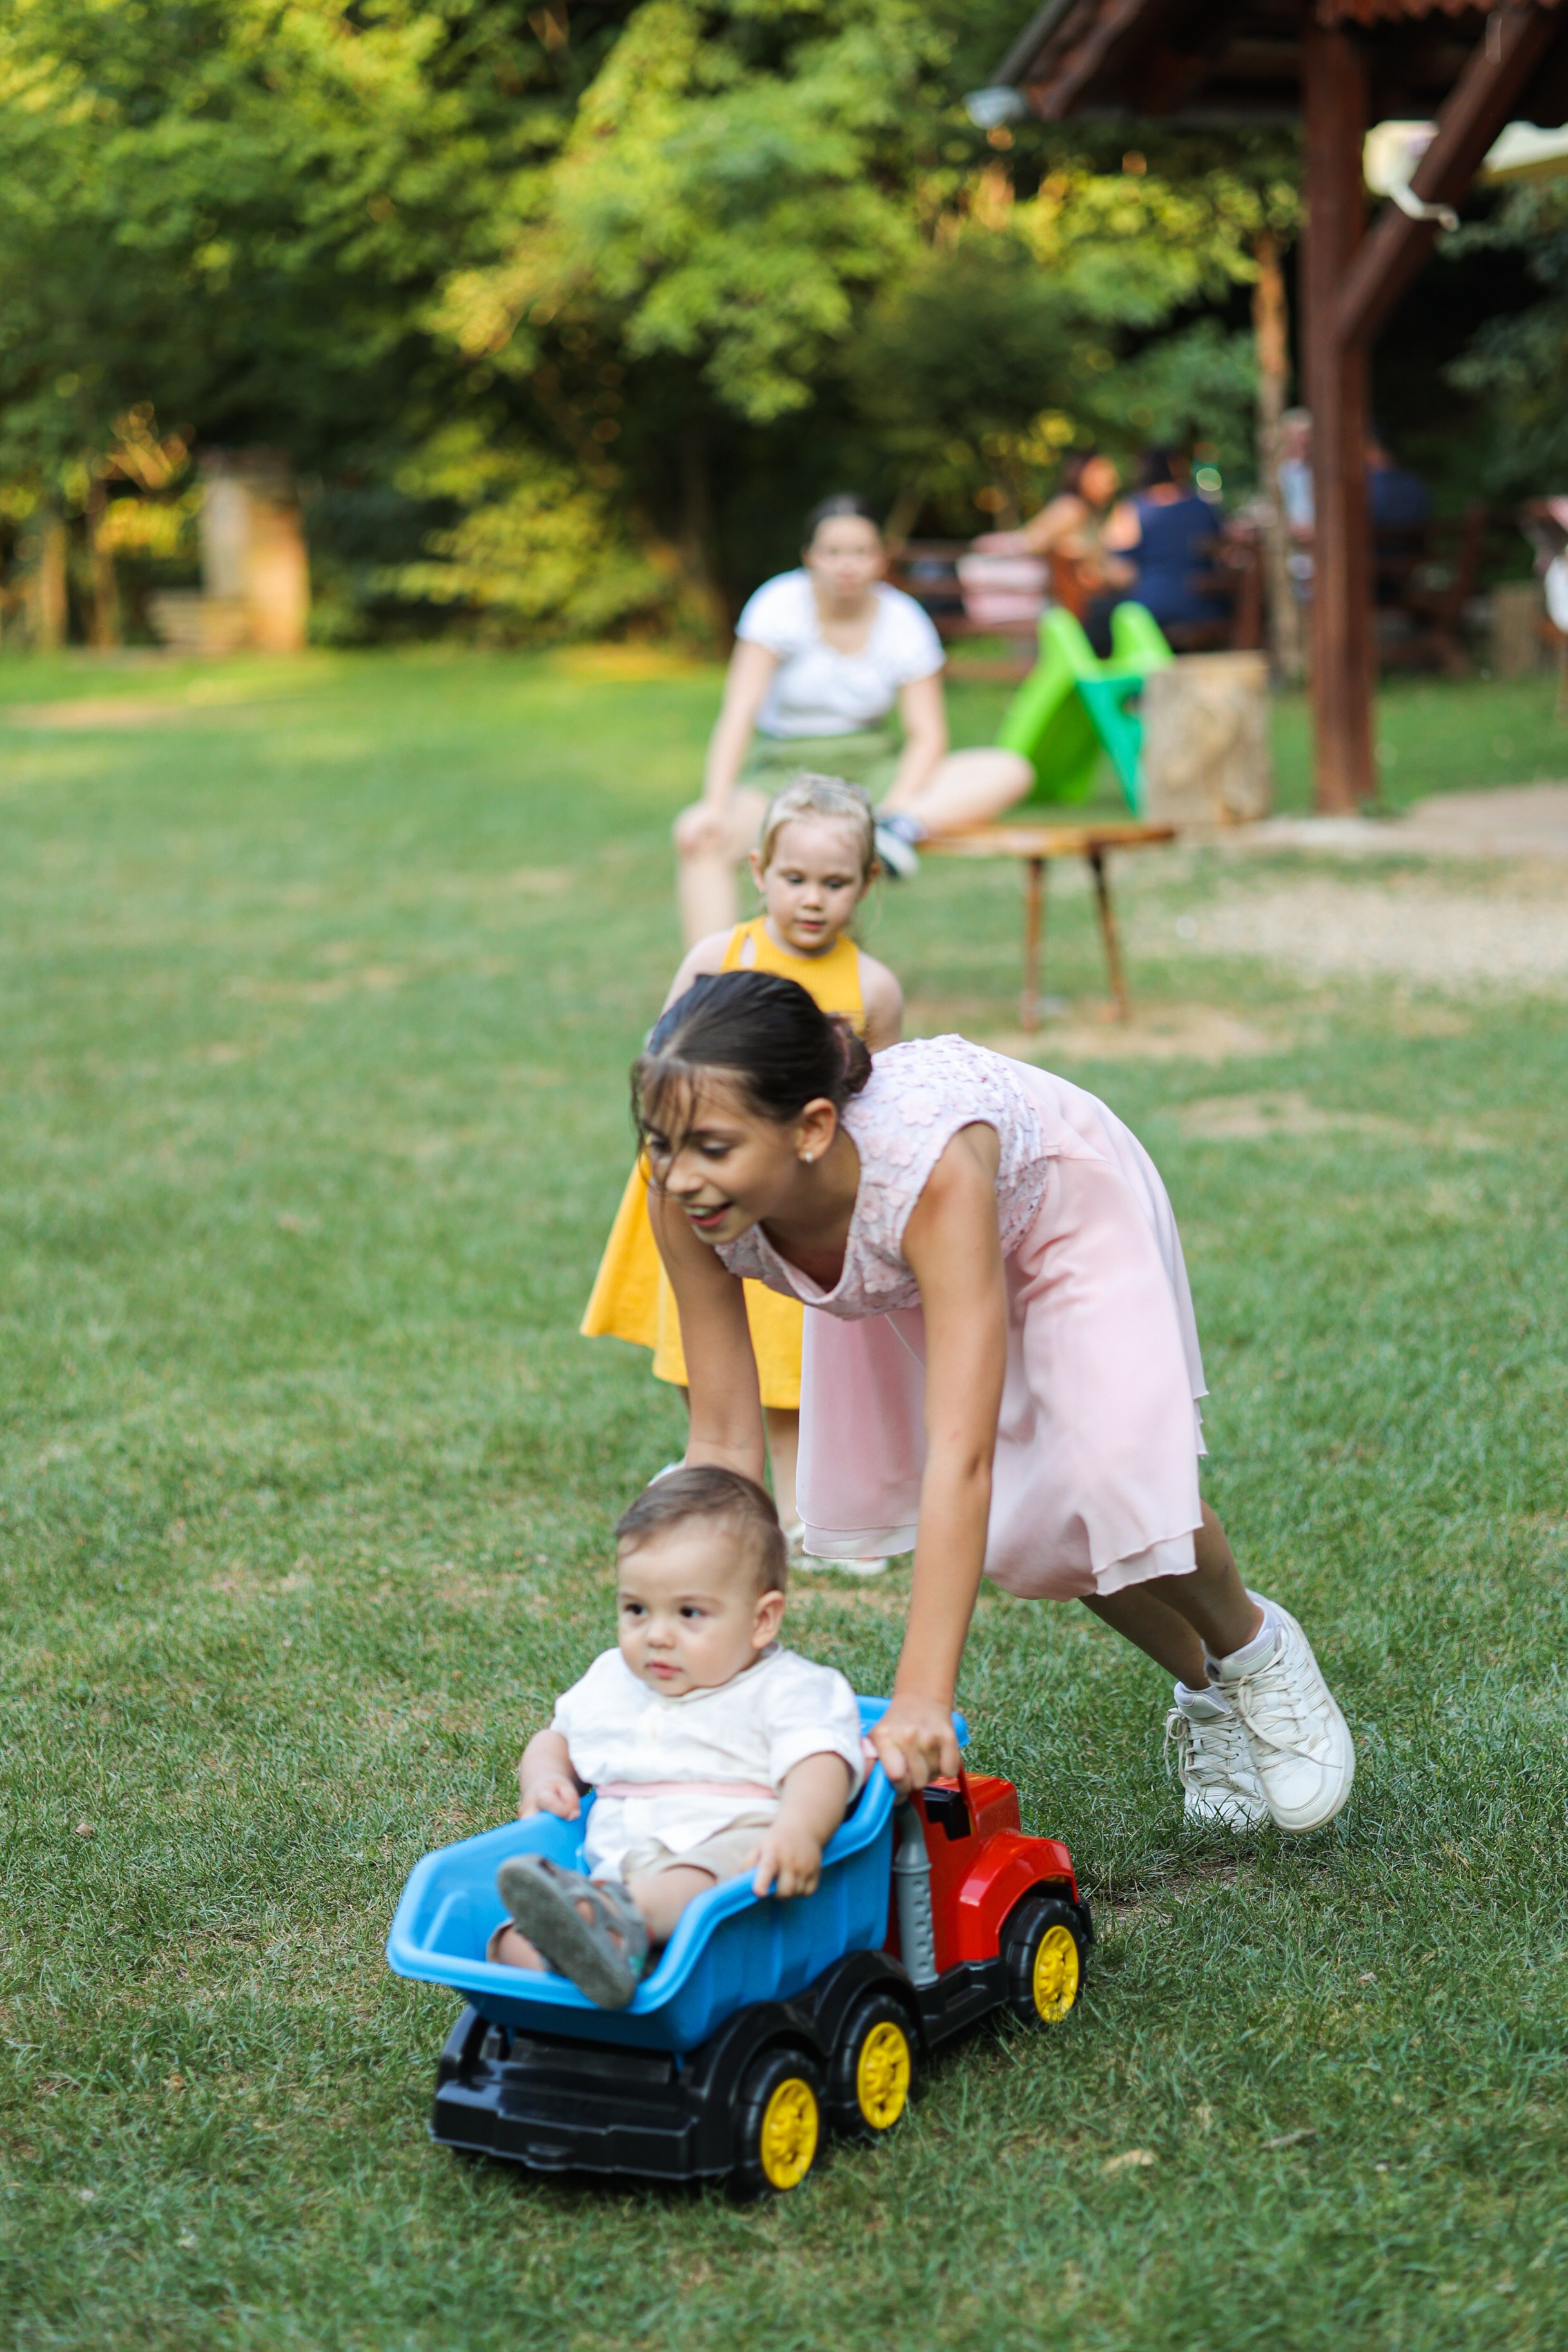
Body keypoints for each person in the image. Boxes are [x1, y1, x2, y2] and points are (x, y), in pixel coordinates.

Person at [638, 972, 1356, 1836]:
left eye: (712, 1147)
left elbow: (962, 1458)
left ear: (812, 1130)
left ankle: (1256, 1649)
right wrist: (706, 1631)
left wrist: (921, 1699)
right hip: (906, 1263)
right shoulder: (685, 1198)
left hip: (1054, 1207)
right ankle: (1209, 1691)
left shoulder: (926, 1170)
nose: (680, 1176)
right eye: (659, 1144)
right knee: (1030, 1528)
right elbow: (721, 1440)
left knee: (1103, 1476)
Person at [583, 775, 903, 1565]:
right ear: (758, 871)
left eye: (834, 884)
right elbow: (667, 1060)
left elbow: (883, 1100)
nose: (811, 901)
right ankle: (714, 1458)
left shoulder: (872, 987)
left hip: (799, 1196)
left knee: (794, 1350)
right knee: (702, 1333)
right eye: (794, 879)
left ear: (867, 883)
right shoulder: (716, 956)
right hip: (707, 1179)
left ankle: (803, 1503)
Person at [490, 1465, 865, 2008]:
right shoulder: (612, 1680)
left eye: (689, 1613)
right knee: (506, 1939)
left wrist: (798, 1828)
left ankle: (615, 1929)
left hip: (732, 1857)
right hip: (613, 1870)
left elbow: (821, 1763)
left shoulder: (788, 1690)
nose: (657, 1635)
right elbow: (557, 1739)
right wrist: (545, 1777)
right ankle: (584, 1949)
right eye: (636, 1609)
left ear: (762, 1621)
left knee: (694, 1876)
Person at [673, 495, 1034, 941]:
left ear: (881, 559)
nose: (847, 566)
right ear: (810, 557)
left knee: (1008, 769)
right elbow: (738, 713)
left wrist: (894, 806)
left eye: (861, 553)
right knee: (698, 836)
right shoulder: (778, 604)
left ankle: (891, 831)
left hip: (871, 773)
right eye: (833, 553)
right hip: (783, 774)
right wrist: (714, 803)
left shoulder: (903, 618)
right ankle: (713, 989)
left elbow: (927, 735)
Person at [974, 449, 1135, 656]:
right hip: (1073, 608)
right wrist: (1072, 555)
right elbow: (1031, 541)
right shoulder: (1070, 508)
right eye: (1101, 473)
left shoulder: (1092, 513)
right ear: (1081, 475)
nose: (1111, 480)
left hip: (1084, 604)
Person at [1104, 447, 1230, 640]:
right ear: (1175, 466)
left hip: (1147, 608)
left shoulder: (1131, 508)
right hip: (1203, 604)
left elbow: (1117, 568)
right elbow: (1222, 551)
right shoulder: (1202, 506)